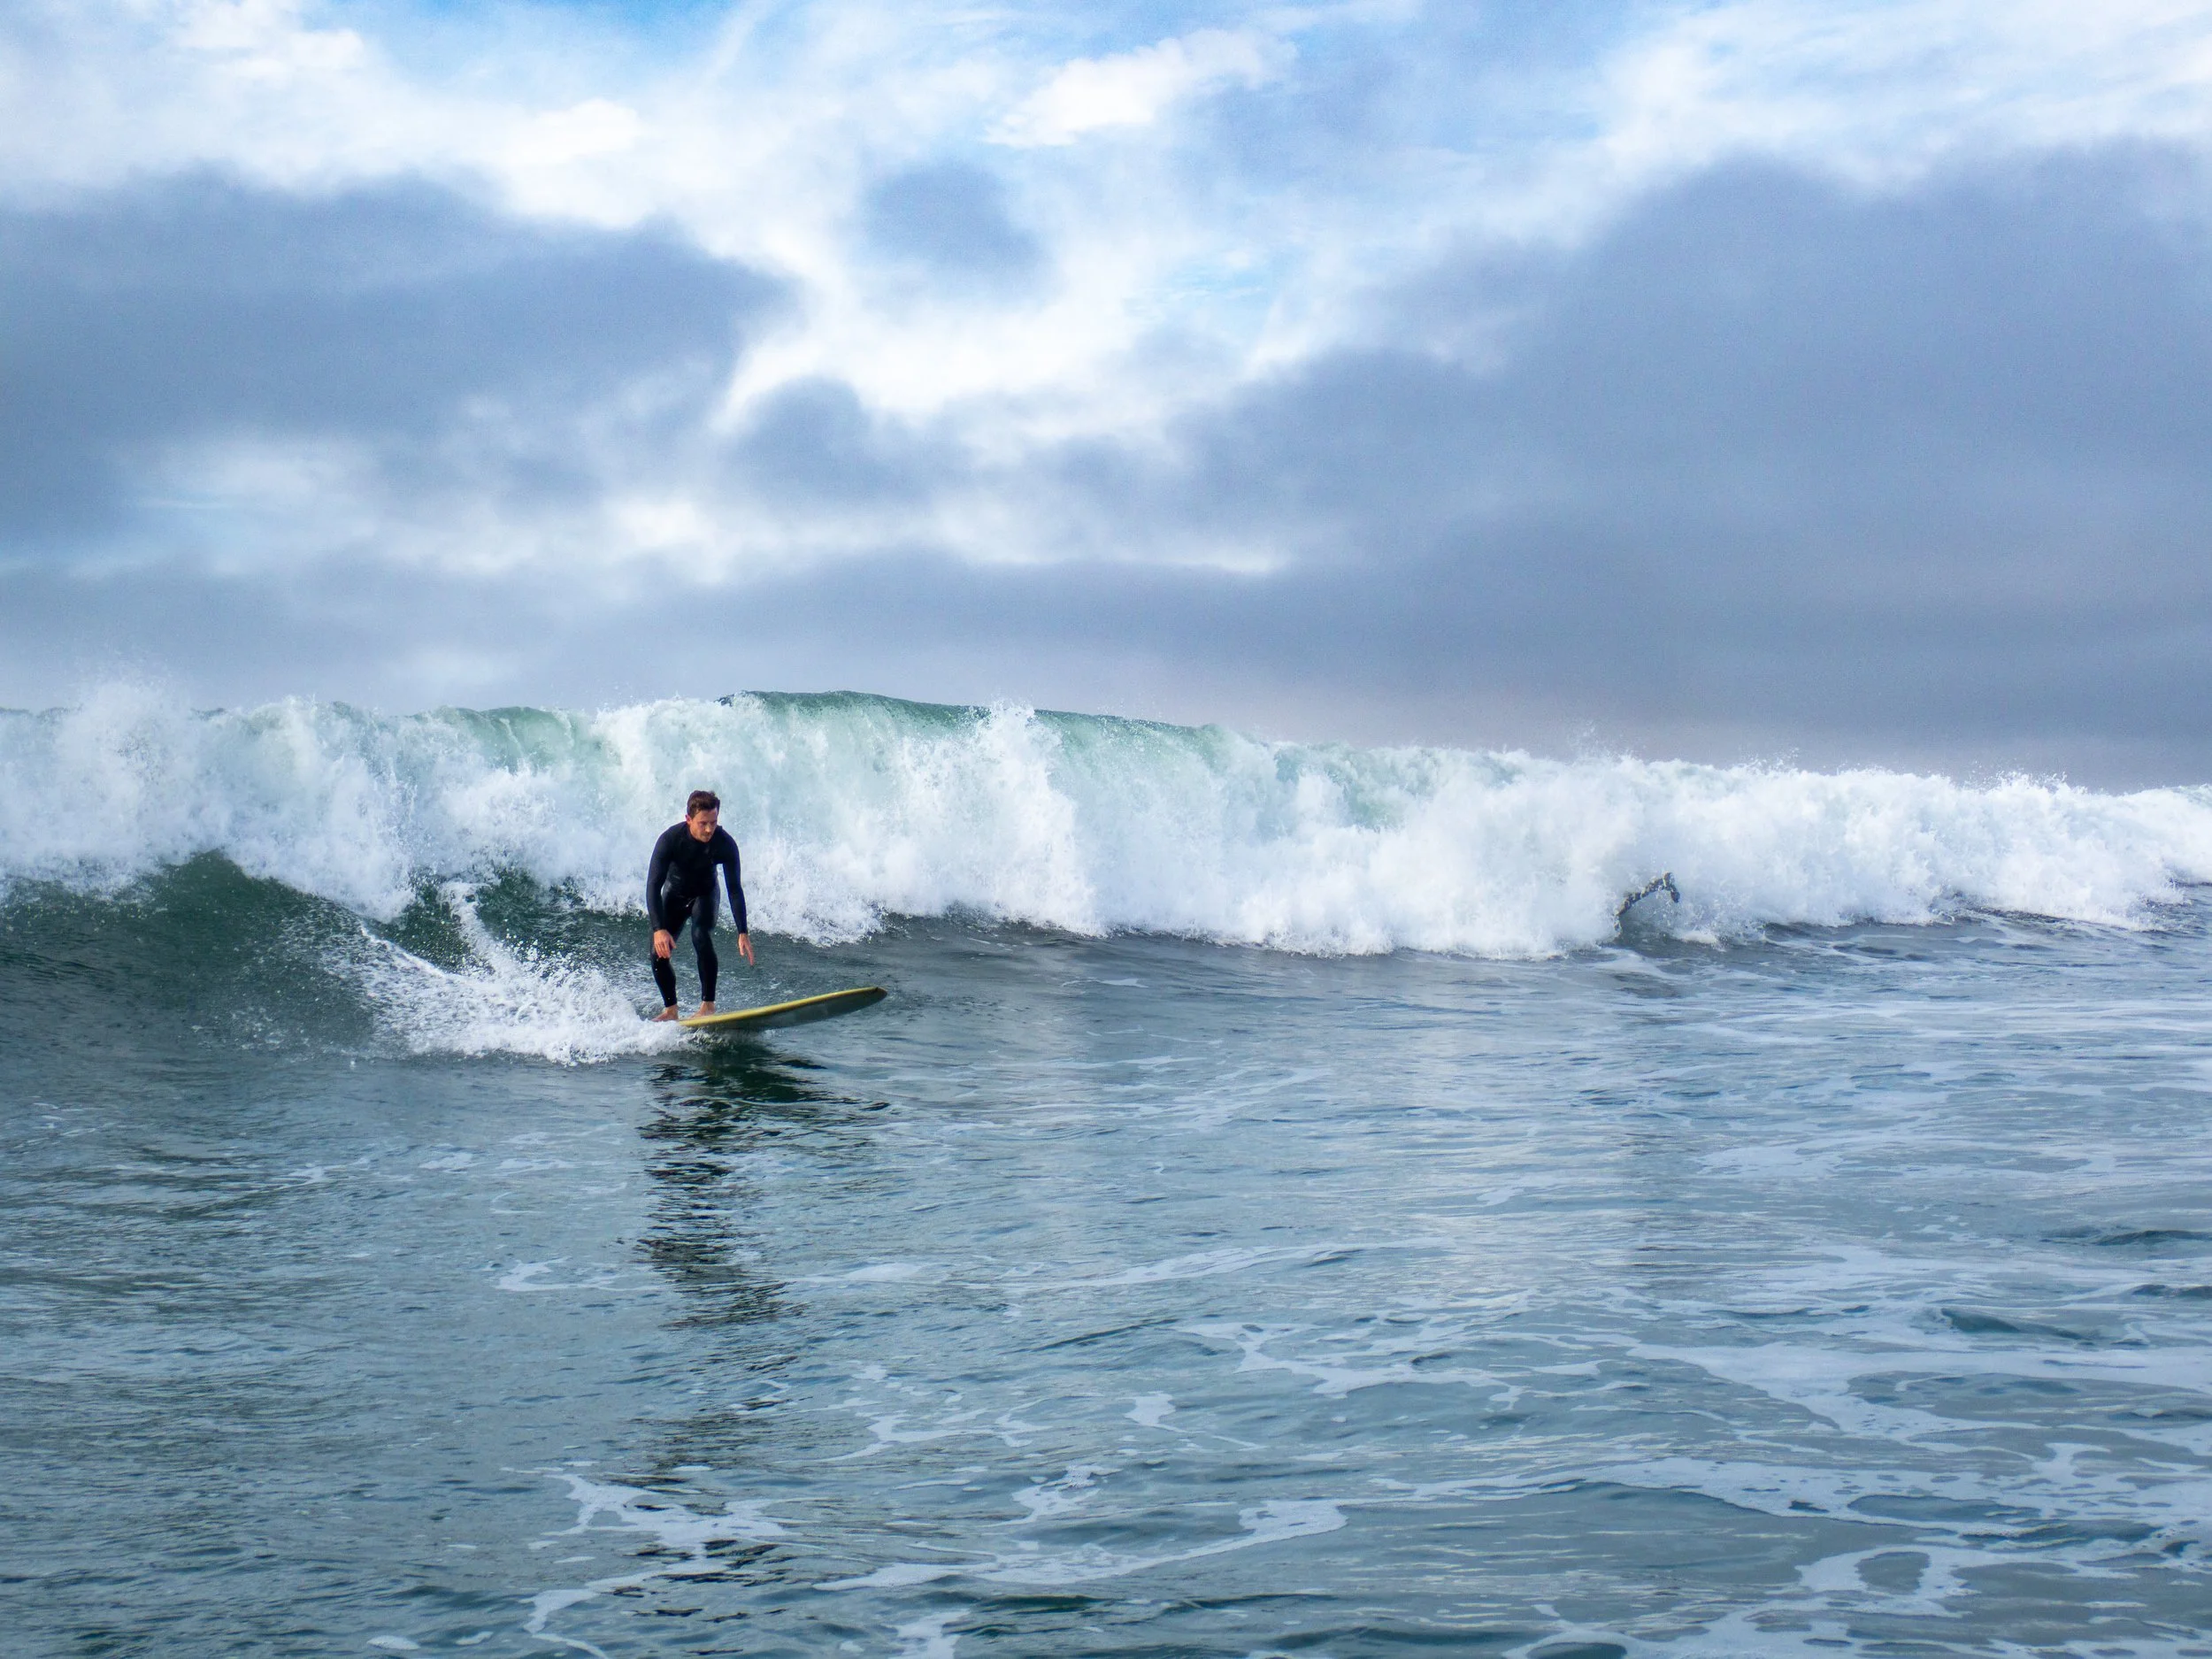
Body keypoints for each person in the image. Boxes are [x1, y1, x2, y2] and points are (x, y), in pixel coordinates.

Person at [646, 789, 754, 1020]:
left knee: (700, 935)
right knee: (657, 954)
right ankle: (671, 1010)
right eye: (703, 823)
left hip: (705, 895)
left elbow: (734, 888)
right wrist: (659, 929)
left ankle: (708, 1006)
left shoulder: (724, 844)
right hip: (674, 895)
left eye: (713, 822)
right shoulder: (670, 840)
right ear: (688, 819)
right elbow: (653, 886)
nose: (709, 829)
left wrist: (742, 931)